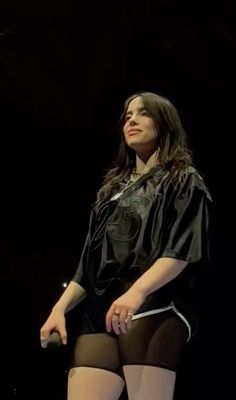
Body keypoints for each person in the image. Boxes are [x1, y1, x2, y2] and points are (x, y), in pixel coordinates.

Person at [40, 91, 212, 400]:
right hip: (101, 310)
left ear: (165, 123)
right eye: (127, 115)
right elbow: (87, 267)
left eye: (143, 113)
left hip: (154, 304)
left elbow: (182, 250)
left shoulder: (183, 180)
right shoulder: (110, 191)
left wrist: (137, 292)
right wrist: (59, 308)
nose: (131, 119)